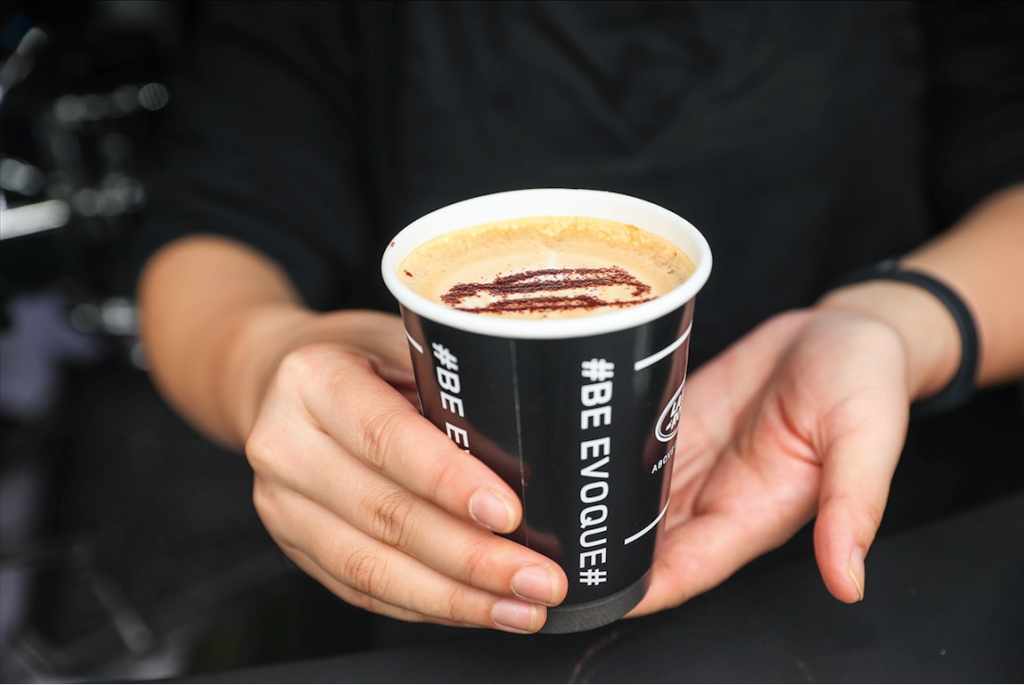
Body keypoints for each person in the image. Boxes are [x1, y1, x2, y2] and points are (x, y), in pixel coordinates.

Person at [136, 2, 1024, 634]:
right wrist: (272, 362)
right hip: (435, 608)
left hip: (892, 573)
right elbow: (214, 229)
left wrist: (900, 324)